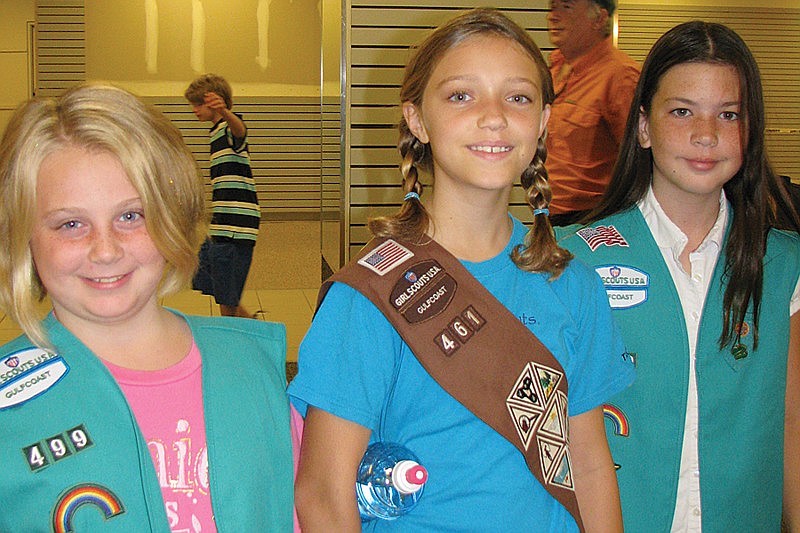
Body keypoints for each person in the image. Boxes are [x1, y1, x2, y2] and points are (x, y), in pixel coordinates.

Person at [289, 8, 634, 532]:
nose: (493, 116)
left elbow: (586, 466)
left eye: (518, 97)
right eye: (460, 96)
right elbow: (323, 495)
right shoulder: (369, 295)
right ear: (417, 120)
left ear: (543, 122)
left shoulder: (574, 285)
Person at [0, 83, 294, 532]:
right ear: (24, 236)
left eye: (130, 216)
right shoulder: (10, 408)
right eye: (71, 224)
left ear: (170, 216)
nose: (105, 250)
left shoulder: (255, 371)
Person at [555, 21, 800, 532]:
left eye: (728, 114)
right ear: (643, 126)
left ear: (748, 130)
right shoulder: (575, 259)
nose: (706, 134)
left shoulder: (784, 266)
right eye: (682, 111)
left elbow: (793, 428)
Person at [545, 0, 640, 225]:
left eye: (566, 7)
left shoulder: (621, 77)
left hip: (594, 220)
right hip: (551, 216)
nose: (553, 16)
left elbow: (640, 162)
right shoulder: (556, 69)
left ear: (599, 18)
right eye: (552, 7)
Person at [184, 74, 261, 318]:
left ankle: (240, 338)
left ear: (215, 103)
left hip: (237, 227)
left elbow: (240, 131)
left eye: (199, 104)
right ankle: (250, 330)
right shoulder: (215, 132)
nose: (194, 110)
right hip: (221, 226)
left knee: (228, 297)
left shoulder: (229, 127)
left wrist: (226, 112)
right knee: (216, 288)